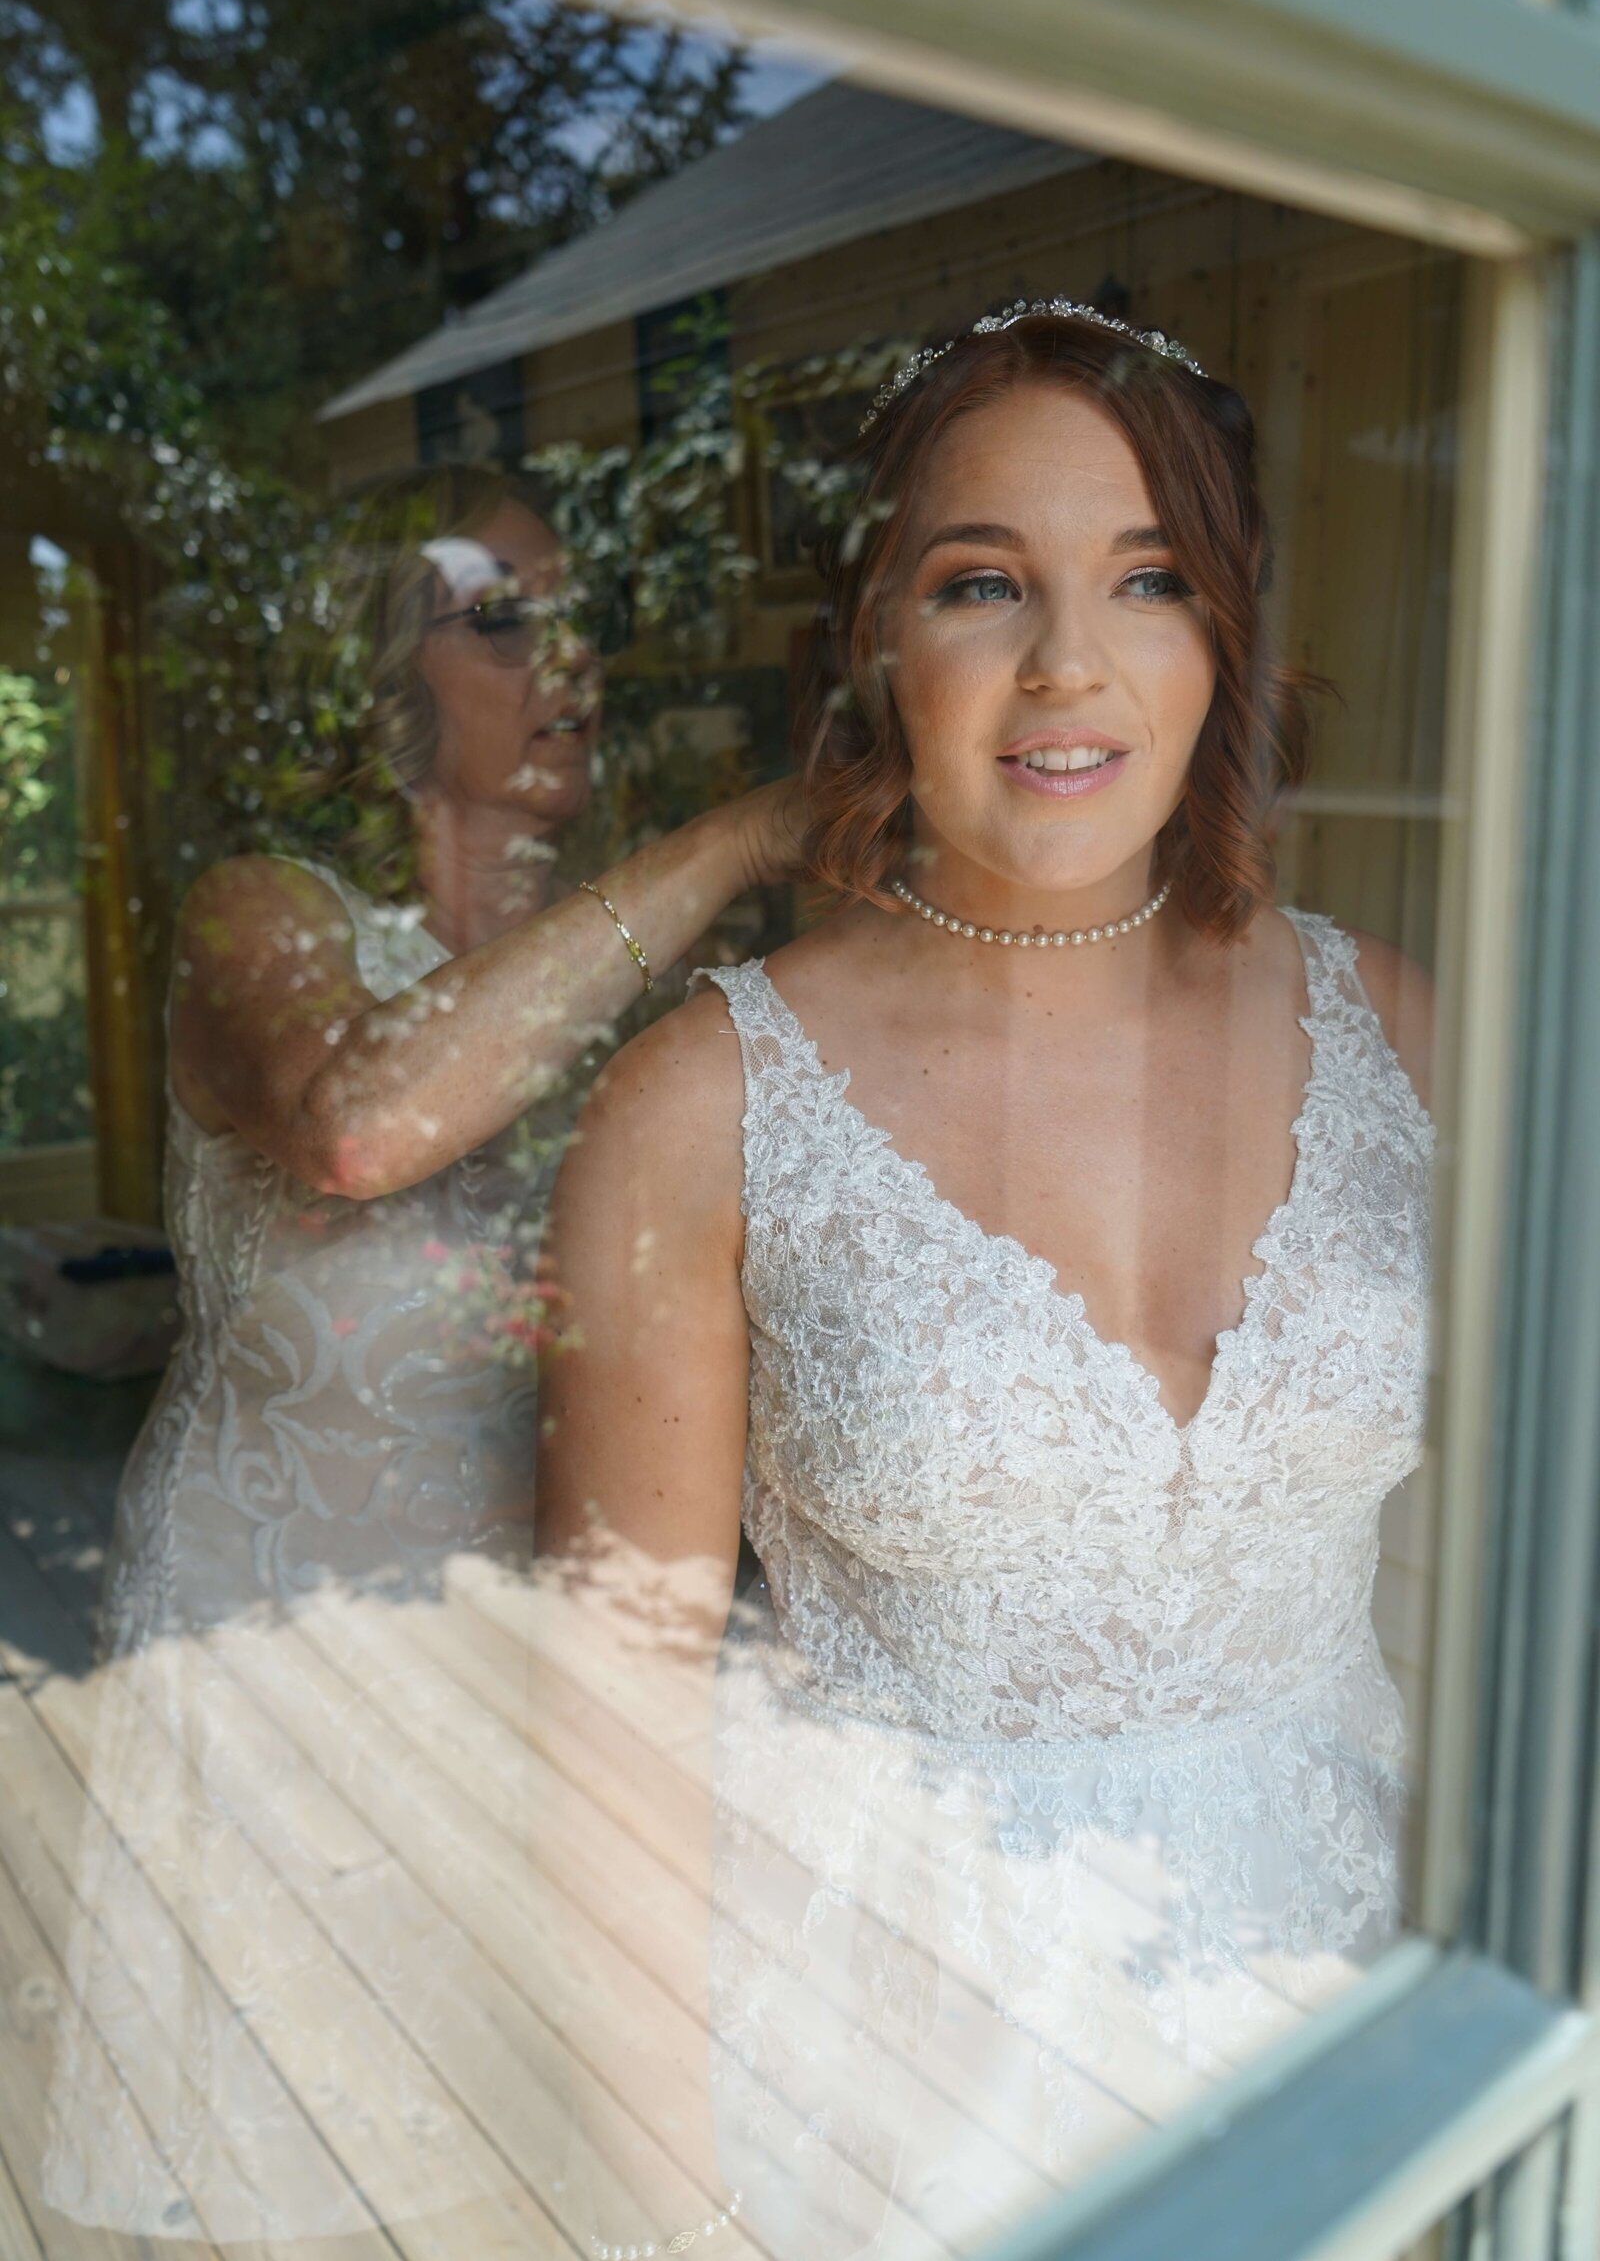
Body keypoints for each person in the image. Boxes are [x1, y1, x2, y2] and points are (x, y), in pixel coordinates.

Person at [536, 302, 1435, 2261]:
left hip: (1345, 2037)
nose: (1066, 666)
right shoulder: (701, 1109)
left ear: (1226, 629)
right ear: (872, 635)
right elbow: (607, 1739)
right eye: (977, 585)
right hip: (886, 2116)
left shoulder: (1394, 1028)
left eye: (1146, 579)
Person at [42, 462, 801, 2246]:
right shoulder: (262, 917)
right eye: (505, 618)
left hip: (549, 1695)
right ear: (378, 677)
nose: (574, 662)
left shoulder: (676, 999)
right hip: (277, 1673)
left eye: (582, 623)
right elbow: (359, 1125)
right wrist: (741, 834)